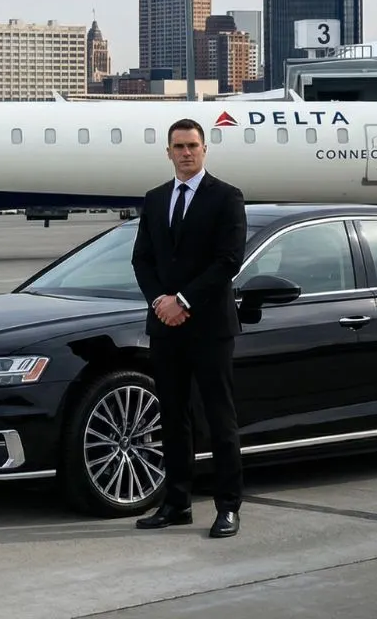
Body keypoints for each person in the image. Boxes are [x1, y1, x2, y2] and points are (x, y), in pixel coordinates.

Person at [130, 117, 247, 538]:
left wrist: (183, 300)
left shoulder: (227, 198)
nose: (185, 153)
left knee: (219, 418)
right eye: (178, 146)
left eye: (193, 146)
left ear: (204, 150)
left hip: (210, 328)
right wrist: (160, 302)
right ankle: (177, 502)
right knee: (172, 418)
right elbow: (142, 259)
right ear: (168, 152)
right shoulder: (155, 199)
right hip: (166, 327)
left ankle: (228, 507)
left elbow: (228, 261)